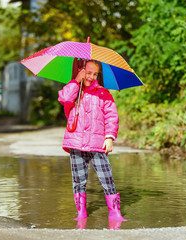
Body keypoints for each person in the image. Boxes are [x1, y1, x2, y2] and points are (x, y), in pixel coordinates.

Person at [58, 59, 127, 222]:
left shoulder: (103, 93)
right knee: (78, 179)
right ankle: (81, 212)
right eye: (88, 72)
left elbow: (111, 116)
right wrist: (76, 81)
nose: (91, 76)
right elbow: (64, 98)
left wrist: (109, 137)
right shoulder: (74, 90)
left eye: (95, 74)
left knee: (106, 176)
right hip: (76, 142)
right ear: (81, 71)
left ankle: (114, 211)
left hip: (97, 143)